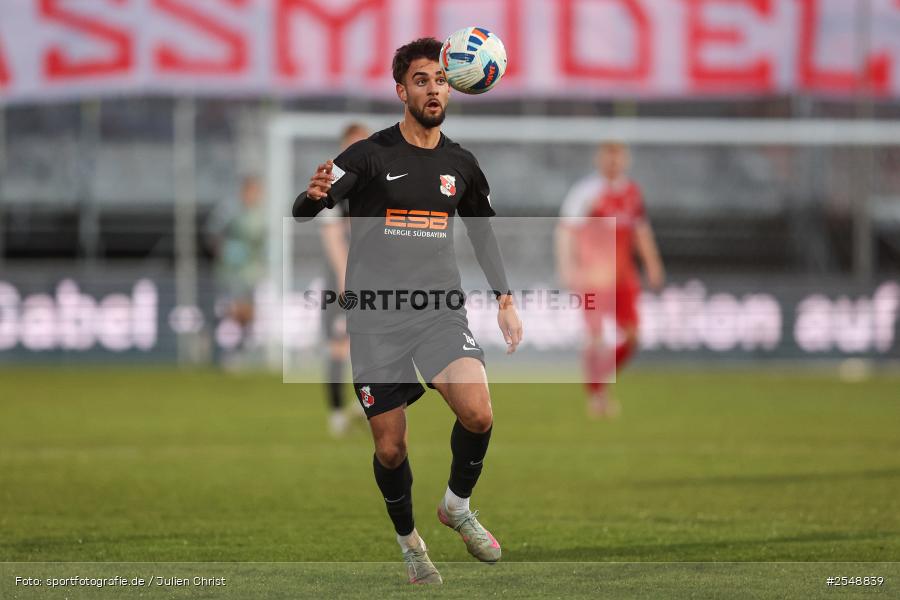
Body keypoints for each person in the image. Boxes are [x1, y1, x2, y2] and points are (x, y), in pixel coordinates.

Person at [293, 37, 523, 585]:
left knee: (479, 414)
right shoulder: (370, 155)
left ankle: (456, 508)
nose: (434, 88)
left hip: (438, 312)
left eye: (441, 80)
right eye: (422, 80)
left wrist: (506, 300)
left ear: (453, 86)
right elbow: (309, 207)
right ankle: (411, 544)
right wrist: (314, 194)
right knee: (391, 448)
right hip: (376, 320)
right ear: (402, 91)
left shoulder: (461, 164)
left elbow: (484, 236)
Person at [556, 142, 665, 418]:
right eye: (609, 157)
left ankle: (599, 378)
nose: (613, 163)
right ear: (600, 159)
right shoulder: (586, 192)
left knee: (633, 336)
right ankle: (597, 396)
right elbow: (566, 230)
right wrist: (568, 267)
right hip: (593, 276)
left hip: (623, 276)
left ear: (625, 161)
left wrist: (653, 264)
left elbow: (641, 231)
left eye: (618, 158)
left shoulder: (632, 192)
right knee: (595, 337)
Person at [319, 122, 371, 437]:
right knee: (340, 344)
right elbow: (332, 234)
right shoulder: (332, 183)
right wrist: (343, 277)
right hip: (344, 275)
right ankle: (337, 413)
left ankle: (368, 406)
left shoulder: (379, 181)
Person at [207, 174, 266, 356]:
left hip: (251, 272)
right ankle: (223, 348)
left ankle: (240, 349)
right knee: (234, 309)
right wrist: (225, 251)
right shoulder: (229, 210)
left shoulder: (260, 215)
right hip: (230, 271)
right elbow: (212, 235)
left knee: (248, 313)